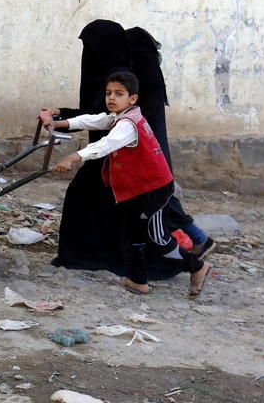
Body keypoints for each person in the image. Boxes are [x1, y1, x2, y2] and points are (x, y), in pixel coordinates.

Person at [43, 72, 212, 296]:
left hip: (152, 189)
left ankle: (197, 267)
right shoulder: (121, 116)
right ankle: (138, 280)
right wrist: (58, 122)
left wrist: (72, 157)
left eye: (118, 94)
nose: (111, 98)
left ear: (132, 98)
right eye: (108, 93)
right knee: (131, 234)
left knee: (157, 239)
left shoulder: (129, 124)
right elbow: (94, 120)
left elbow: (106, 144)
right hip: (136, 189)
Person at [43, 19, 183, 279]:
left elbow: (103, 125)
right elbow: (97, 118)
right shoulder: (115, 76)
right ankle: (105, 261)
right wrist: (59, 117)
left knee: (128, 217)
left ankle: (187, 264)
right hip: (114, 157)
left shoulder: (118, 79)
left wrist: (75, 154)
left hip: (121, 156)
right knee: (111, 212)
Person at [125, 27, 215, 258]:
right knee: (159, 196)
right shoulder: (150, 79)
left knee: (160, 196)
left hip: (149, 149)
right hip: (154, 148)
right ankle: (193, 239)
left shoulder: (141, 84)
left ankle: (196, 241)